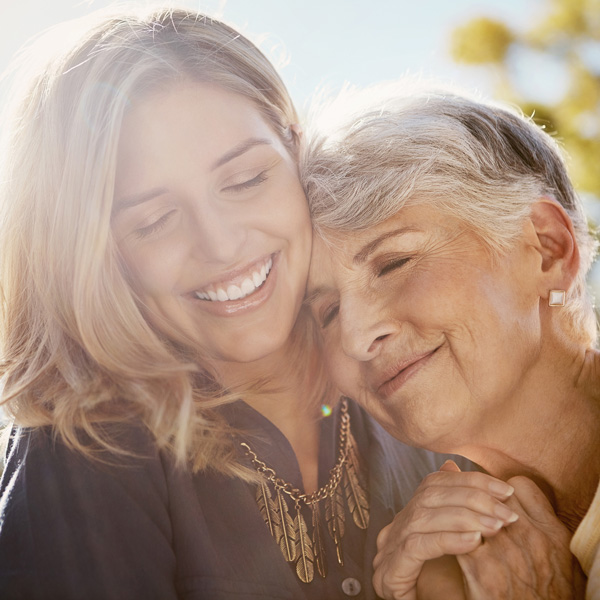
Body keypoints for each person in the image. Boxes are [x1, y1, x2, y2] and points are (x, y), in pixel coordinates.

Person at [0, 9, 499, 600]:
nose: (220, 245)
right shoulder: (86, 453)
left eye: (243, 181)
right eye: (155, 220)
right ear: (94, 256)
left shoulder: (420, 376)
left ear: (294, 147)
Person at [302, 81, 599, 599]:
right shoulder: (447, 567)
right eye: (326, 313)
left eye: (394, 263)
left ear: (546, 248)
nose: (355, 337)